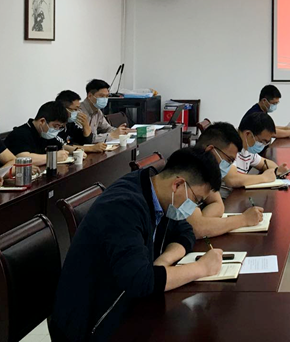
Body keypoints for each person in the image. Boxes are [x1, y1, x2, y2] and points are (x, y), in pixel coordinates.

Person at [50, 147, 224, 342]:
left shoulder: (157, 191)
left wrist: (164, 260)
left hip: (126, 304)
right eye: (196, 200)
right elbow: (140, 280)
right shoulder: (124, 206)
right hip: (90, 323)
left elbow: (186, 232)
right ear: (177, 184)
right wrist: (201, 268)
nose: (194, 208)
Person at [190, 122, 264, 238]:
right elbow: (197, 229)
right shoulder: (187, 174)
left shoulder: (206, 173)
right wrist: (243, 219)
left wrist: (204, 222)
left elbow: (218, 204)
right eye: (229, 160)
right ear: (211, 150)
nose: (229, 166)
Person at [225, 112, 290, 190]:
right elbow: (232, 179)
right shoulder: (229, 146)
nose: (263, 145)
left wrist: (277, 170)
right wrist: (264, 178)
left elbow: (264, 163)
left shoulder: (247, 148)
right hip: (226, 196)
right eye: (262, 141)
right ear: (248, 134)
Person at [4, 101, 74, 166]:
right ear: (42, 121)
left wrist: (75, 151)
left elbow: (61, 147)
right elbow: (22, 158)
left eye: (60, 127)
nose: (57, 130)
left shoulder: (45, 134)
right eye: (55, 126)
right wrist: (53, 157)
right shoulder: (20, 134)